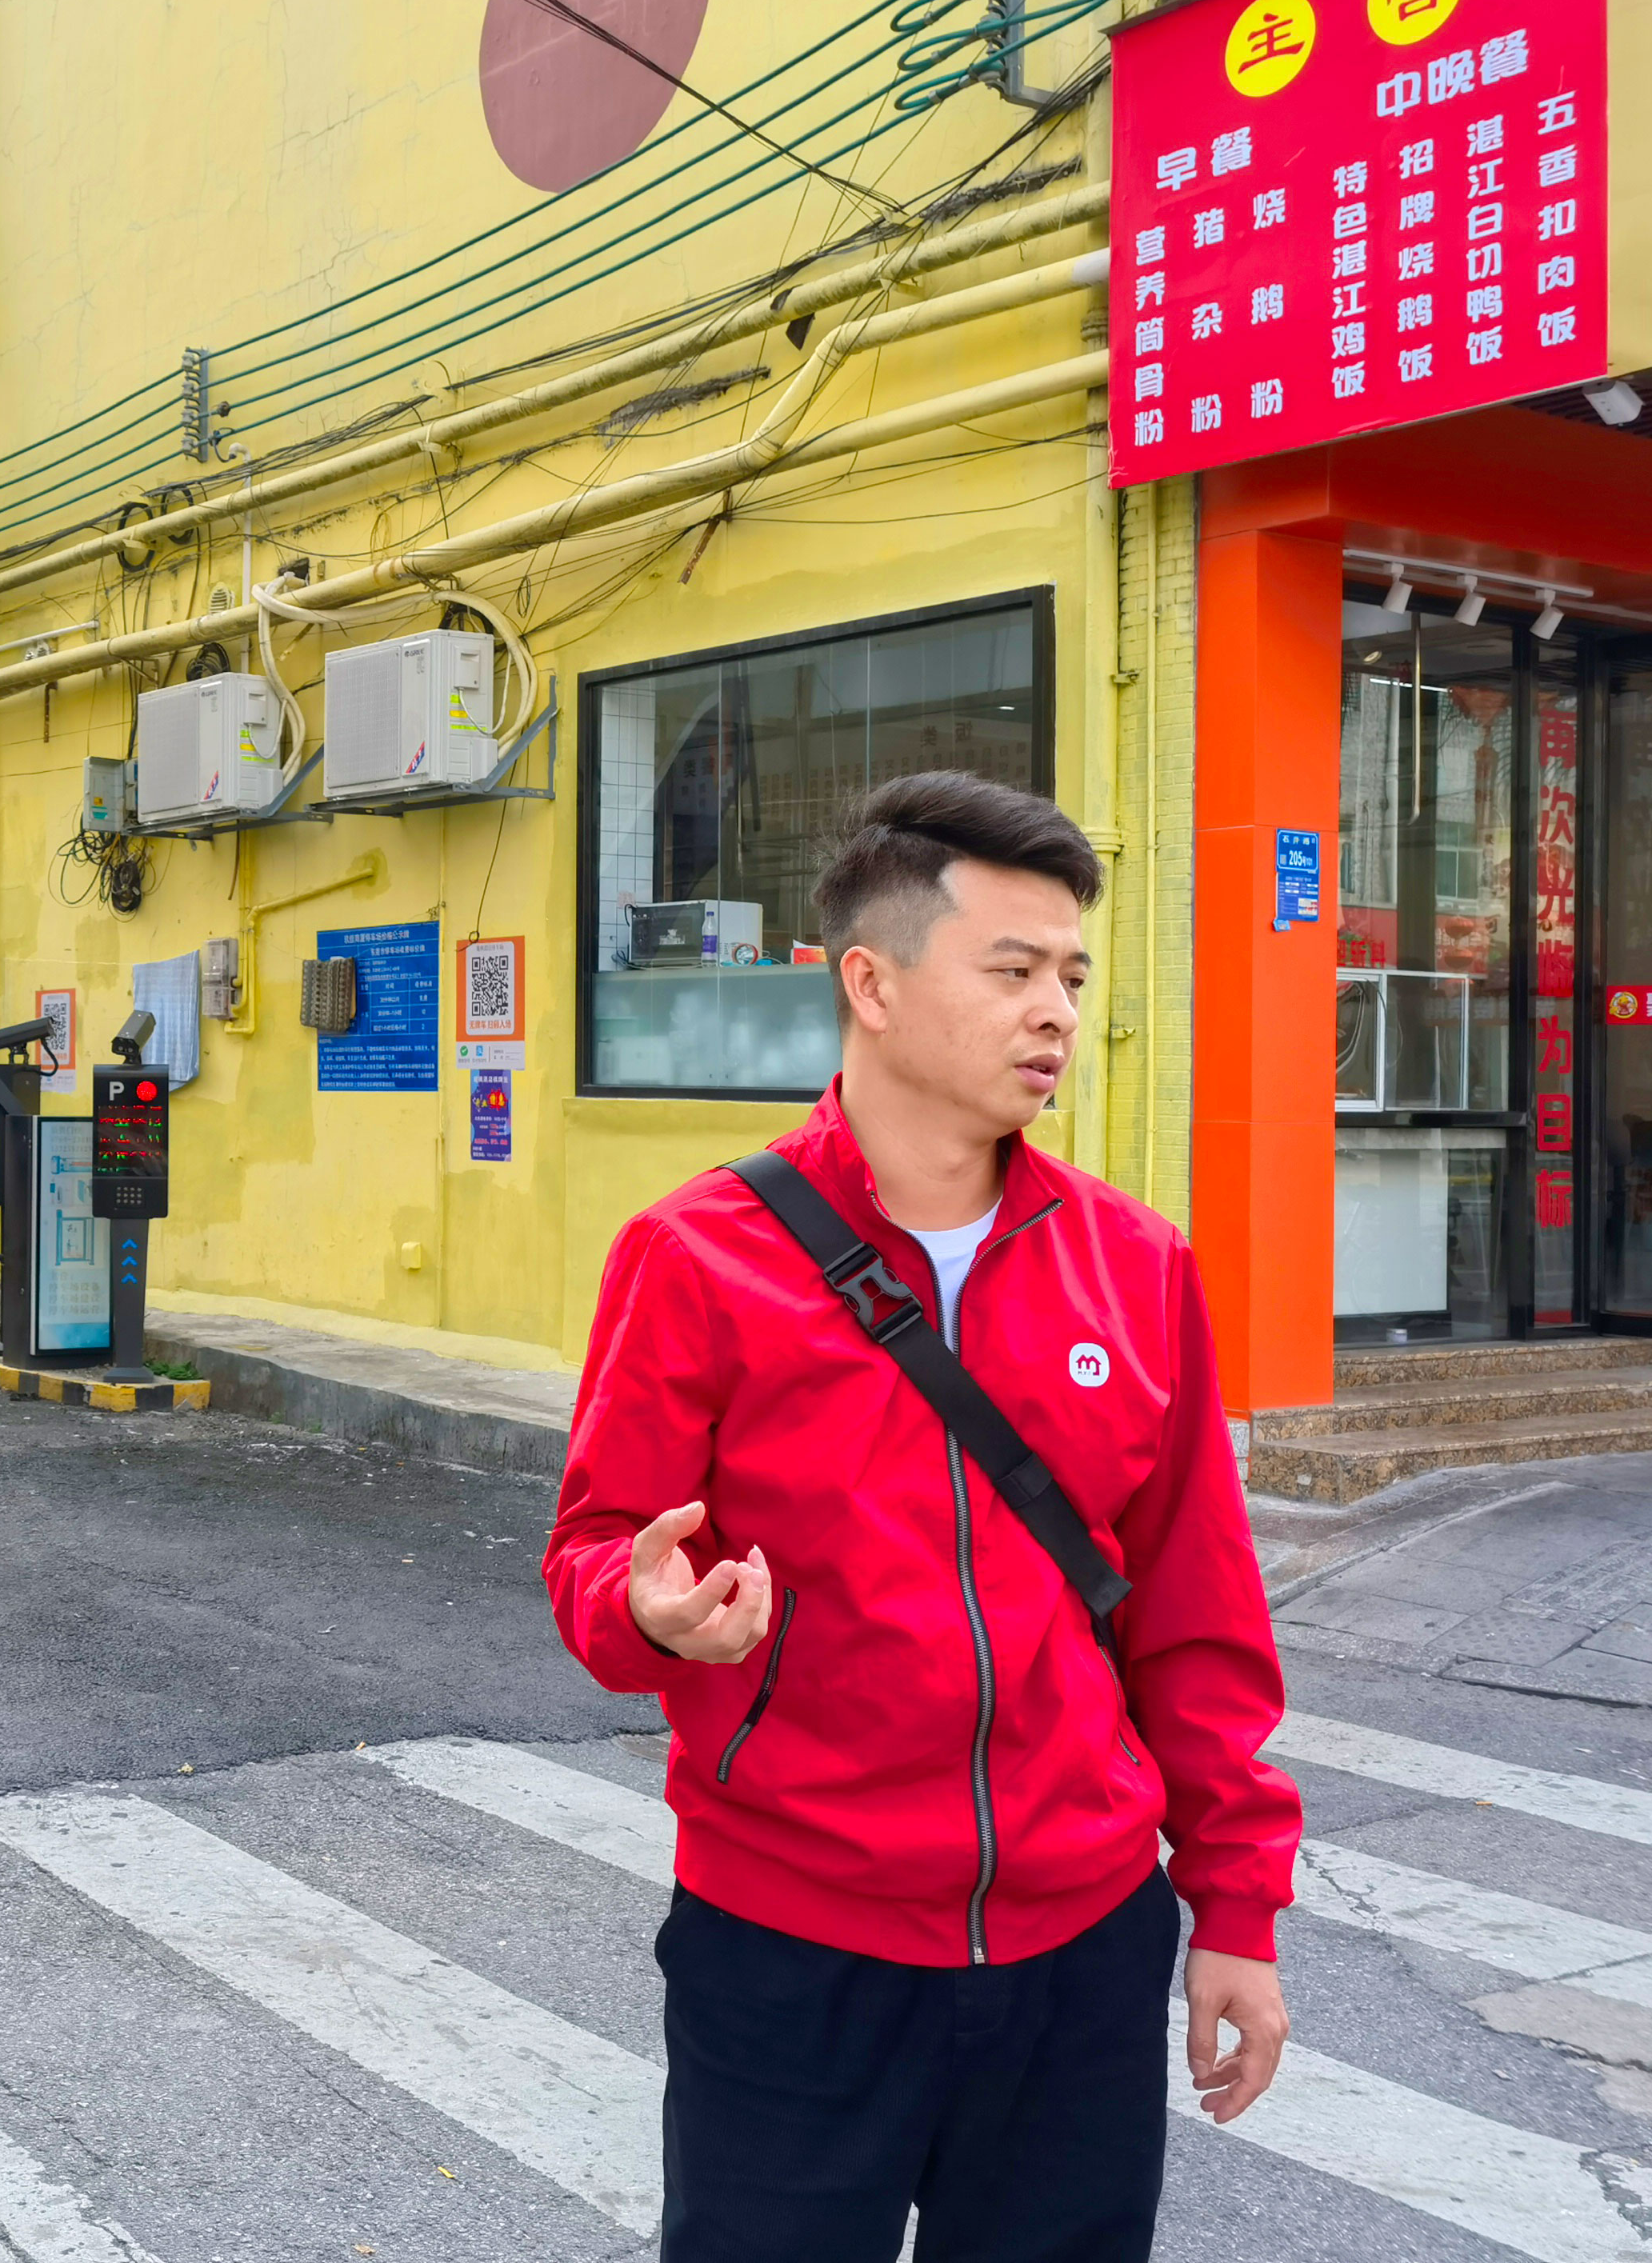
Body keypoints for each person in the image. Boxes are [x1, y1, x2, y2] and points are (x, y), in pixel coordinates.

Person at [545, 770, 1299, 2263]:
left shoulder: (1136, 1266)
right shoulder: (696, 1256)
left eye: (1071, 976)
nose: (1056, 1012)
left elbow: (1196, 1614)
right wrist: (643, 1609)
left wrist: (1236, 1910)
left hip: (1083, 1947)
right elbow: (594, 1548)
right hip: (791, 1943)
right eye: (1012, 971)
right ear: (872, 985)